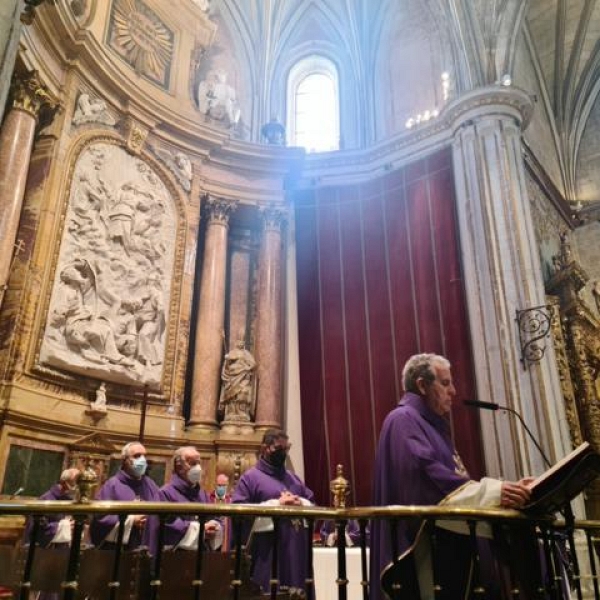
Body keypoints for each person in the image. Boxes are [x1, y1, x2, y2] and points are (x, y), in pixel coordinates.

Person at [370, 353, 533, 600]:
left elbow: (453, 479)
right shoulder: (402, 419)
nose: (454, 391)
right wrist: (493, 492)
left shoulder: (432, 425)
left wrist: (503, 492)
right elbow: (426, 479)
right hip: (428, 546)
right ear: (422, 385)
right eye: (445, 383)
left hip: (451, 541)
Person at [232, 430, 314, 599]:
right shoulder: (250, 478)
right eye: (279, 448)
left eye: (287, 448)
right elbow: (238, 511)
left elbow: (312, 502)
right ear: (265, 449)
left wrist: (300, 503)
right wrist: (277, 505)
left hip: (296, 550)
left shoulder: (293, 478)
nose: (283, 453)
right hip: (268, 551)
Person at [90, 441, 160, 555]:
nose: (142, 460)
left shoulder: (150, 484)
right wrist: (131, 521)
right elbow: (100, 520)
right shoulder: (112, 485)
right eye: (137, 456)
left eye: (144, 456)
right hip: (118, 551)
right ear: (124, 460)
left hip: (146, 549)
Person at [159, 446, 222, 550]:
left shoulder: (203, 494)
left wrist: (215, 527)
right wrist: (200, 530)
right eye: (193, 463)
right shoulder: (165, 493)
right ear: (179, 467)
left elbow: (214, 519)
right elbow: (168, 527)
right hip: (176, 558)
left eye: (198, 463)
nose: (198, 468)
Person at [209, 473, 232, 551]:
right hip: (211, 535)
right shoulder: (208, 499)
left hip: (225, 538)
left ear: (227, 485)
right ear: (215, 485)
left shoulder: (231, 501)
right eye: (219, 485)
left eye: (223, 486)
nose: (221, 488)